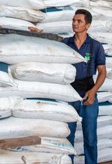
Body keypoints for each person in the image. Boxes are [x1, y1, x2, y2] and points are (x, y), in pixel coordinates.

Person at [30, 9, 106, 164]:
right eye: (73, 20)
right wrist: (39, 34)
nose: (75, 23)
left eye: (79, 21)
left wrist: (93, 92)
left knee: (90, 137)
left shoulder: (95, 47)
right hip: (68, 94)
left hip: (88, 94)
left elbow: (102, 72)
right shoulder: (65, 43)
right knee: (67, 135)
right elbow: (49, 45)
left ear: (88, 25)